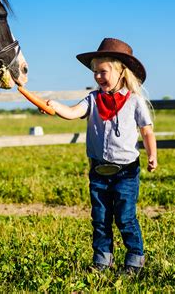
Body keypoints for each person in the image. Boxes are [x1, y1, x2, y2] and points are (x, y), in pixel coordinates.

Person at [44, 38, 157, 274]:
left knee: (125, 217)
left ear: (121, 72)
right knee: (100, 217)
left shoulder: (134, 101)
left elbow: (147, 130)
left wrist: (152, 155)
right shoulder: (93, 100)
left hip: (125, 171)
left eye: (102, 71)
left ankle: (135, 258)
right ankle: (102, 260)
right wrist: (55, 106)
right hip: (98, 170)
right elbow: (73, 112)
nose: (97, 76)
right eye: (95, 72)